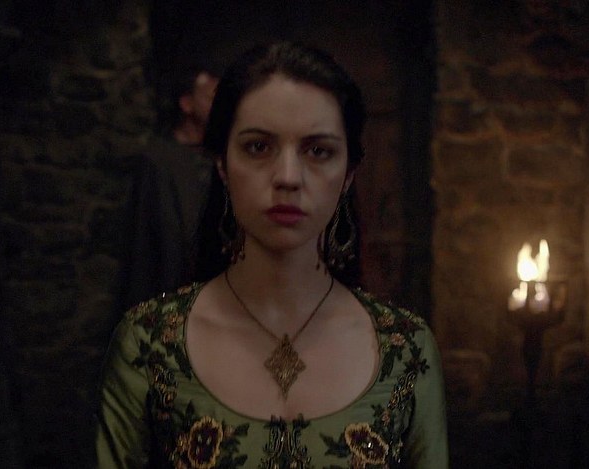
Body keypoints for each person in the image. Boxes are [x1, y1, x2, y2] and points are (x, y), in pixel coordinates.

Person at [96, 42, 449, 468]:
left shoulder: (406, 350)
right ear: (222, 165)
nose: (287, 177)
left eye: (318, 151)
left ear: (348, 174)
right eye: (259, 147)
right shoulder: (148, 344)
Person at [114, 66, 220, 315]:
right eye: (212, 97)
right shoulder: (159, 161)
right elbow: (145, 243)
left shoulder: (219, 158)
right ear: (187, 104)